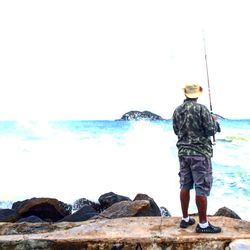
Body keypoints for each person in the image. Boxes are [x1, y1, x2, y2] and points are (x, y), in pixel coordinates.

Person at [172, 83, 222, 233]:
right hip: (200, 153)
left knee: (185, 185)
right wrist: (214, 121)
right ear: (197, 95)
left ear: (185, 94)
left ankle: (185, 219)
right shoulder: (202, 109)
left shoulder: (177, 110)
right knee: (201, 187)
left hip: (183, 153)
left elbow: (176, 130)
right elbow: (210, 131)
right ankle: (203, 224)